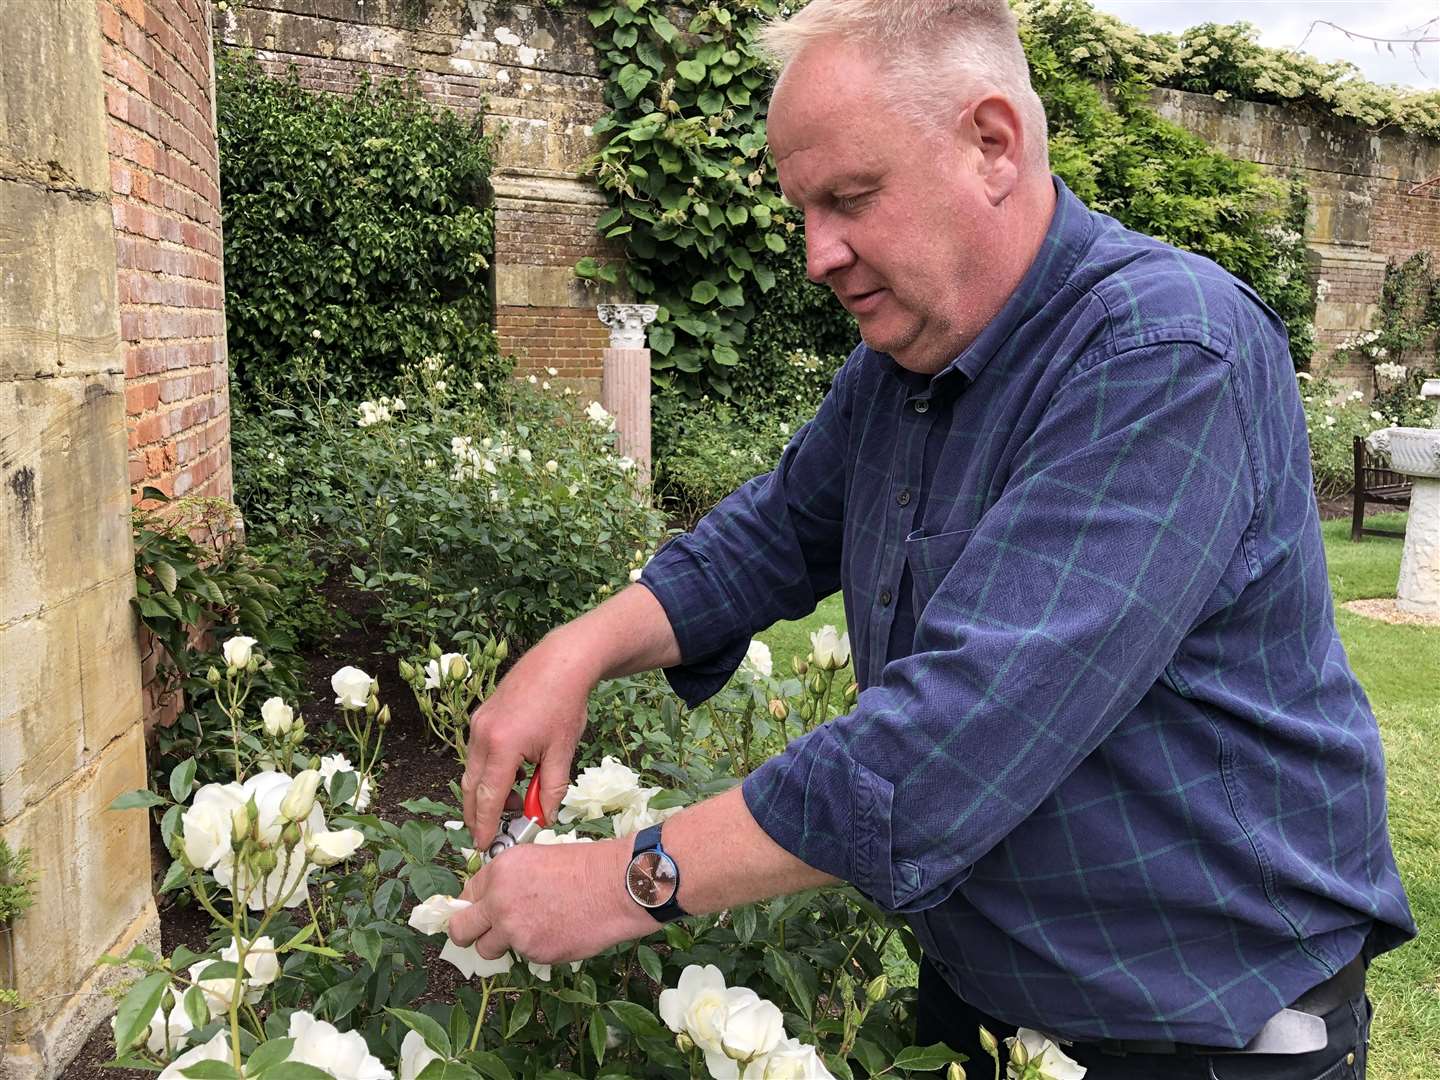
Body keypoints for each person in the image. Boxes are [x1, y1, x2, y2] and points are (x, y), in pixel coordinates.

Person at [447, 1, 1415, 1074]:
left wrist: (625, 880)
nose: (817, 253)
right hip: (984, 998)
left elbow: (949, 743)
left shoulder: (1166, 353)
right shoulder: (902, 365)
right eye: (803, 208)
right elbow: (775, 534)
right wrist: (575, 651)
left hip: (1203, 1026)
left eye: (850, 197)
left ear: (993, 144)